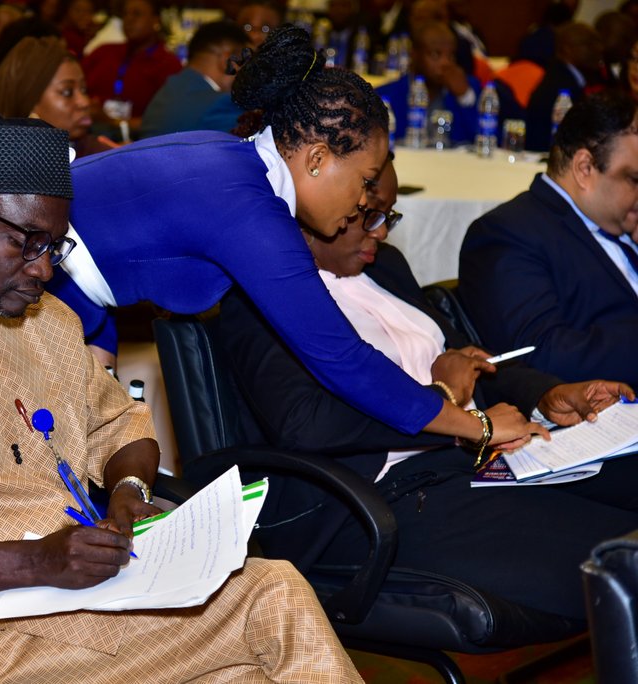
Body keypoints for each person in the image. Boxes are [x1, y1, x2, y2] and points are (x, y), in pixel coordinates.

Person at [0, 117, 364, 683]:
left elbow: (122, 424)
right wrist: (38, 561)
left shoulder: (48, 325)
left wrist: (129, 491)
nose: (43, 269)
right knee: (271, 599)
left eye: (55, 246)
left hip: (96, 603)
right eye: (26, 243)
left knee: (252, 661)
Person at [49, 25, 543, 452]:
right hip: (33, 294)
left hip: (68, 300)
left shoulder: (230, 159)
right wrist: (477, 426)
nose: (364, 202)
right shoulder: (250, 212)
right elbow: (343, 359)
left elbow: (102, 265)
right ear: (317, 158)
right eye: (365, 181)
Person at [218, 153, 638, 623]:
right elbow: (307, 425)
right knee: (622, 561)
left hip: (473, 461)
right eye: (368, 216)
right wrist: (447, 404)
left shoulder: (385, 267)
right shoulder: (256, 298)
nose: (381, 232)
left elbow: (472, 362)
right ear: (309, 210)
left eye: (389, 216)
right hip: (383, 496)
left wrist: (547, 396)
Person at [460, 90, 638, 387]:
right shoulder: (507, 233)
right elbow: (541, 353)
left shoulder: (620, 222)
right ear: (584, 168)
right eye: (634, 179)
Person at [0, 36, 114, 157]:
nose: (85, 102)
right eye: (67, 92)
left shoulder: (100, 156)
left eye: (84, 90)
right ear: (28, 102)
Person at [82, 0, 181, 131]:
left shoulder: (168, 65)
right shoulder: (104, 52)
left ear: (155, 20)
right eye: (125, 14)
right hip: (88, 130)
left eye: (137, 14)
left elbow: (165, 121)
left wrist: (111, 121)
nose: (129, 20)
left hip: (139, 139)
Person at [375, 21, 480, 146]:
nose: (445, 63)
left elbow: (488, 141)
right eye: (436, 54)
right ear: (414, 55)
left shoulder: (469, 89)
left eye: (451, 56)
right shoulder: (385, 96)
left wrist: (464, 97)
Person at [138, 20, 248, 139]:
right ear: (227, 60)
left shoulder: (167, 90)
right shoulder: (221, 105)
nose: (247, 72)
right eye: (245, 62)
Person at [524, 22, 606, 152]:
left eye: (599, 42)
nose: (599, 48)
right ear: (568, 49)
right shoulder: (560, 85)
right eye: (589, 44)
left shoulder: (566, 76)